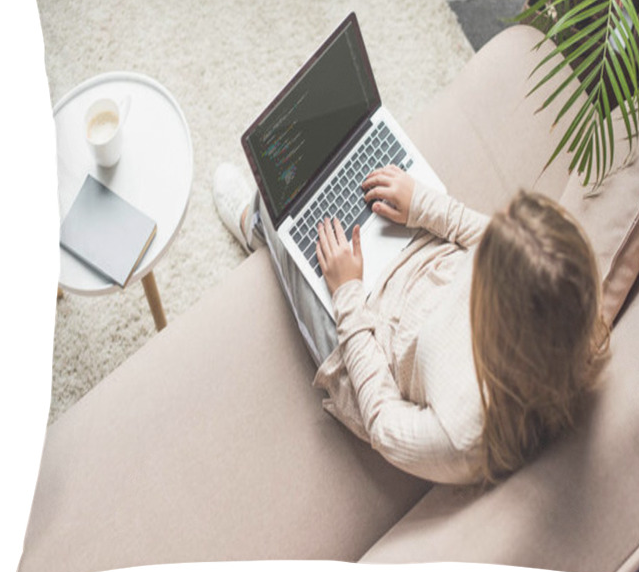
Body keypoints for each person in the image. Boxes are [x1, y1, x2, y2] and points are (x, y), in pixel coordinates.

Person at [213, 162, 609, 486]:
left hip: (365, 345)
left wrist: (347, 291)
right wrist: (421, 202)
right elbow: (494, 236)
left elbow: (384, 422)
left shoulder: (462, 435)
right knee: (358, 165)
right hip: (421, 257)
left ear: (491, 316)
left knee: (278, 201)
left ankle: (257, 227)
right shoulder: (563, 297)